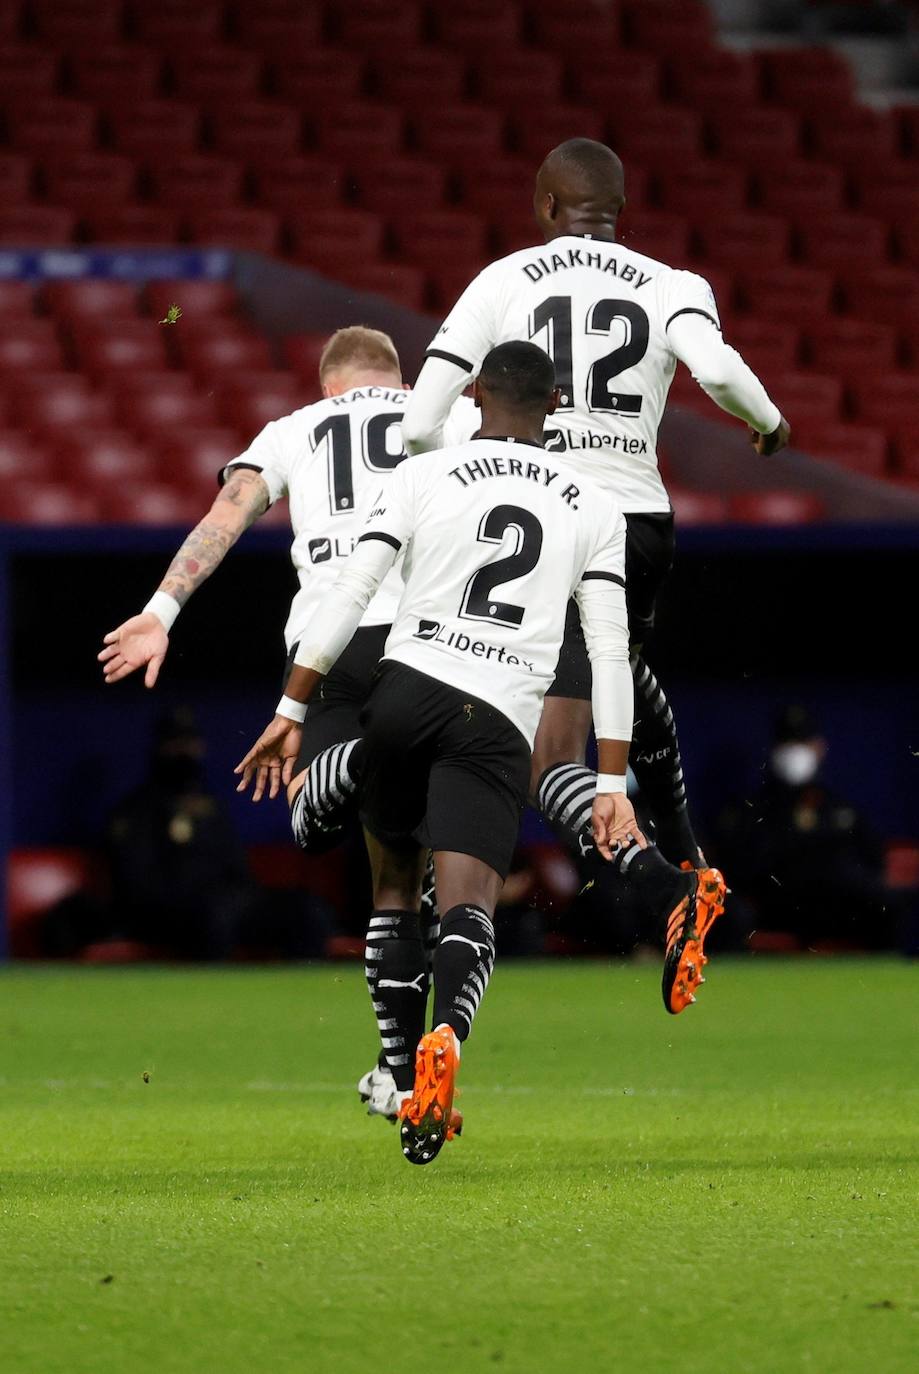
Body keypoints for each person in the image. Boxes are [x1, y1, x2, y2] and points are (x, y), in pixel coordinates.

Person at [235, 342, 726, 1166]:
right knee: (468, 907)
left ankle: (352, 773)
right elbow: (608, 652)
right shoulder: (592, 504)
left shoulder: (426, 474)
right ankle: (447, 1041)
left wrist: (291, 705)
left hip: (405, 691)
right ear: (555, 404)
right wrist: (610, 780)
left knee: (388, 883)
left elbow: (355, 590)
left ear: (473, 395)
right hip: (495, 722)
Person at [390, 138, 789, 966]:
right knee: (620, 672)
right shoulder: (671, 283)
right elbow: (717, 372)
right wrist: (769, 424)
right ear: (620, 214)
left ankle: (662, 886)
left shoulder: (500, 281)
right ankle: (692, 859)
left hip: (540, 516)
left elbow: (422, 421)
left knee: (542, 754)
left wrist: (482, 453)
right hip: (640, 525)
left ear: (545, 208)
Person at [98, 326, 475, 1107]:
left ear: (328, 383)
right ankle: (404, 1070)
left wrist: (160, 611)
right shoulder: (451, 414)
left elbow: (224, 519)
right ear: (397, 378)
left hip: (332, 650)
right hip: (437, 644)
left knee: (329, 834)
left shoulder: (294, 428)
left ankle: (399, 1072)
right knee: (409, 871)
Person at [714, 704, 897, 950]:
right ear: (774, 749)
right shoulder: (752, 811)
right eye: (788, 743)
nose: (795, 753)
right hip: (777, 909)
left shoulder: (840, 810)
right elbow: (739, 869)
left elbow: (873, 862)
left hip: (835, 909)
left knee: (884, 901)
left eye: (802, 742)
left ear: (819, 748)